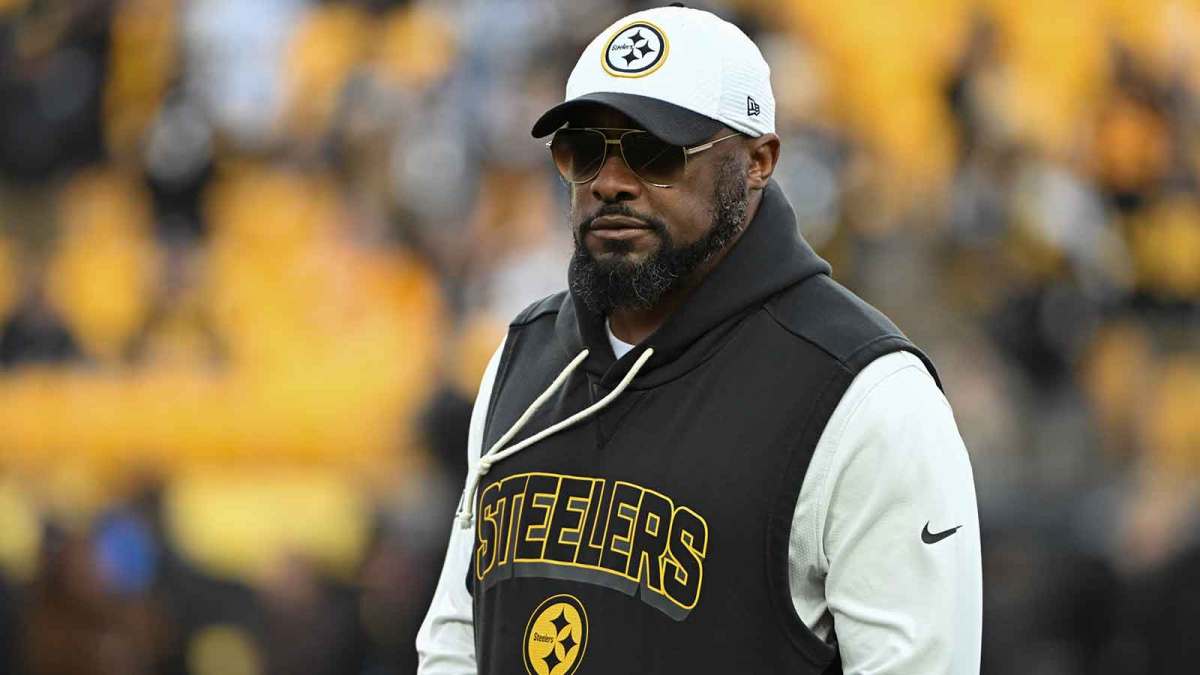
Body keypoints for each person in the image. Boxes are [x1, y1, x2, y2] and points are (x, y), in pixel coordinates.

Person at [418, 5, 981, 674]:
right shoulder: (524, 357)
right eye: (584, 150)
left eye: (654, 152)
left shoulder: (864, 395)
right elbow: (456, 638)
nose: (610, 182)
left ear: (757, 161)